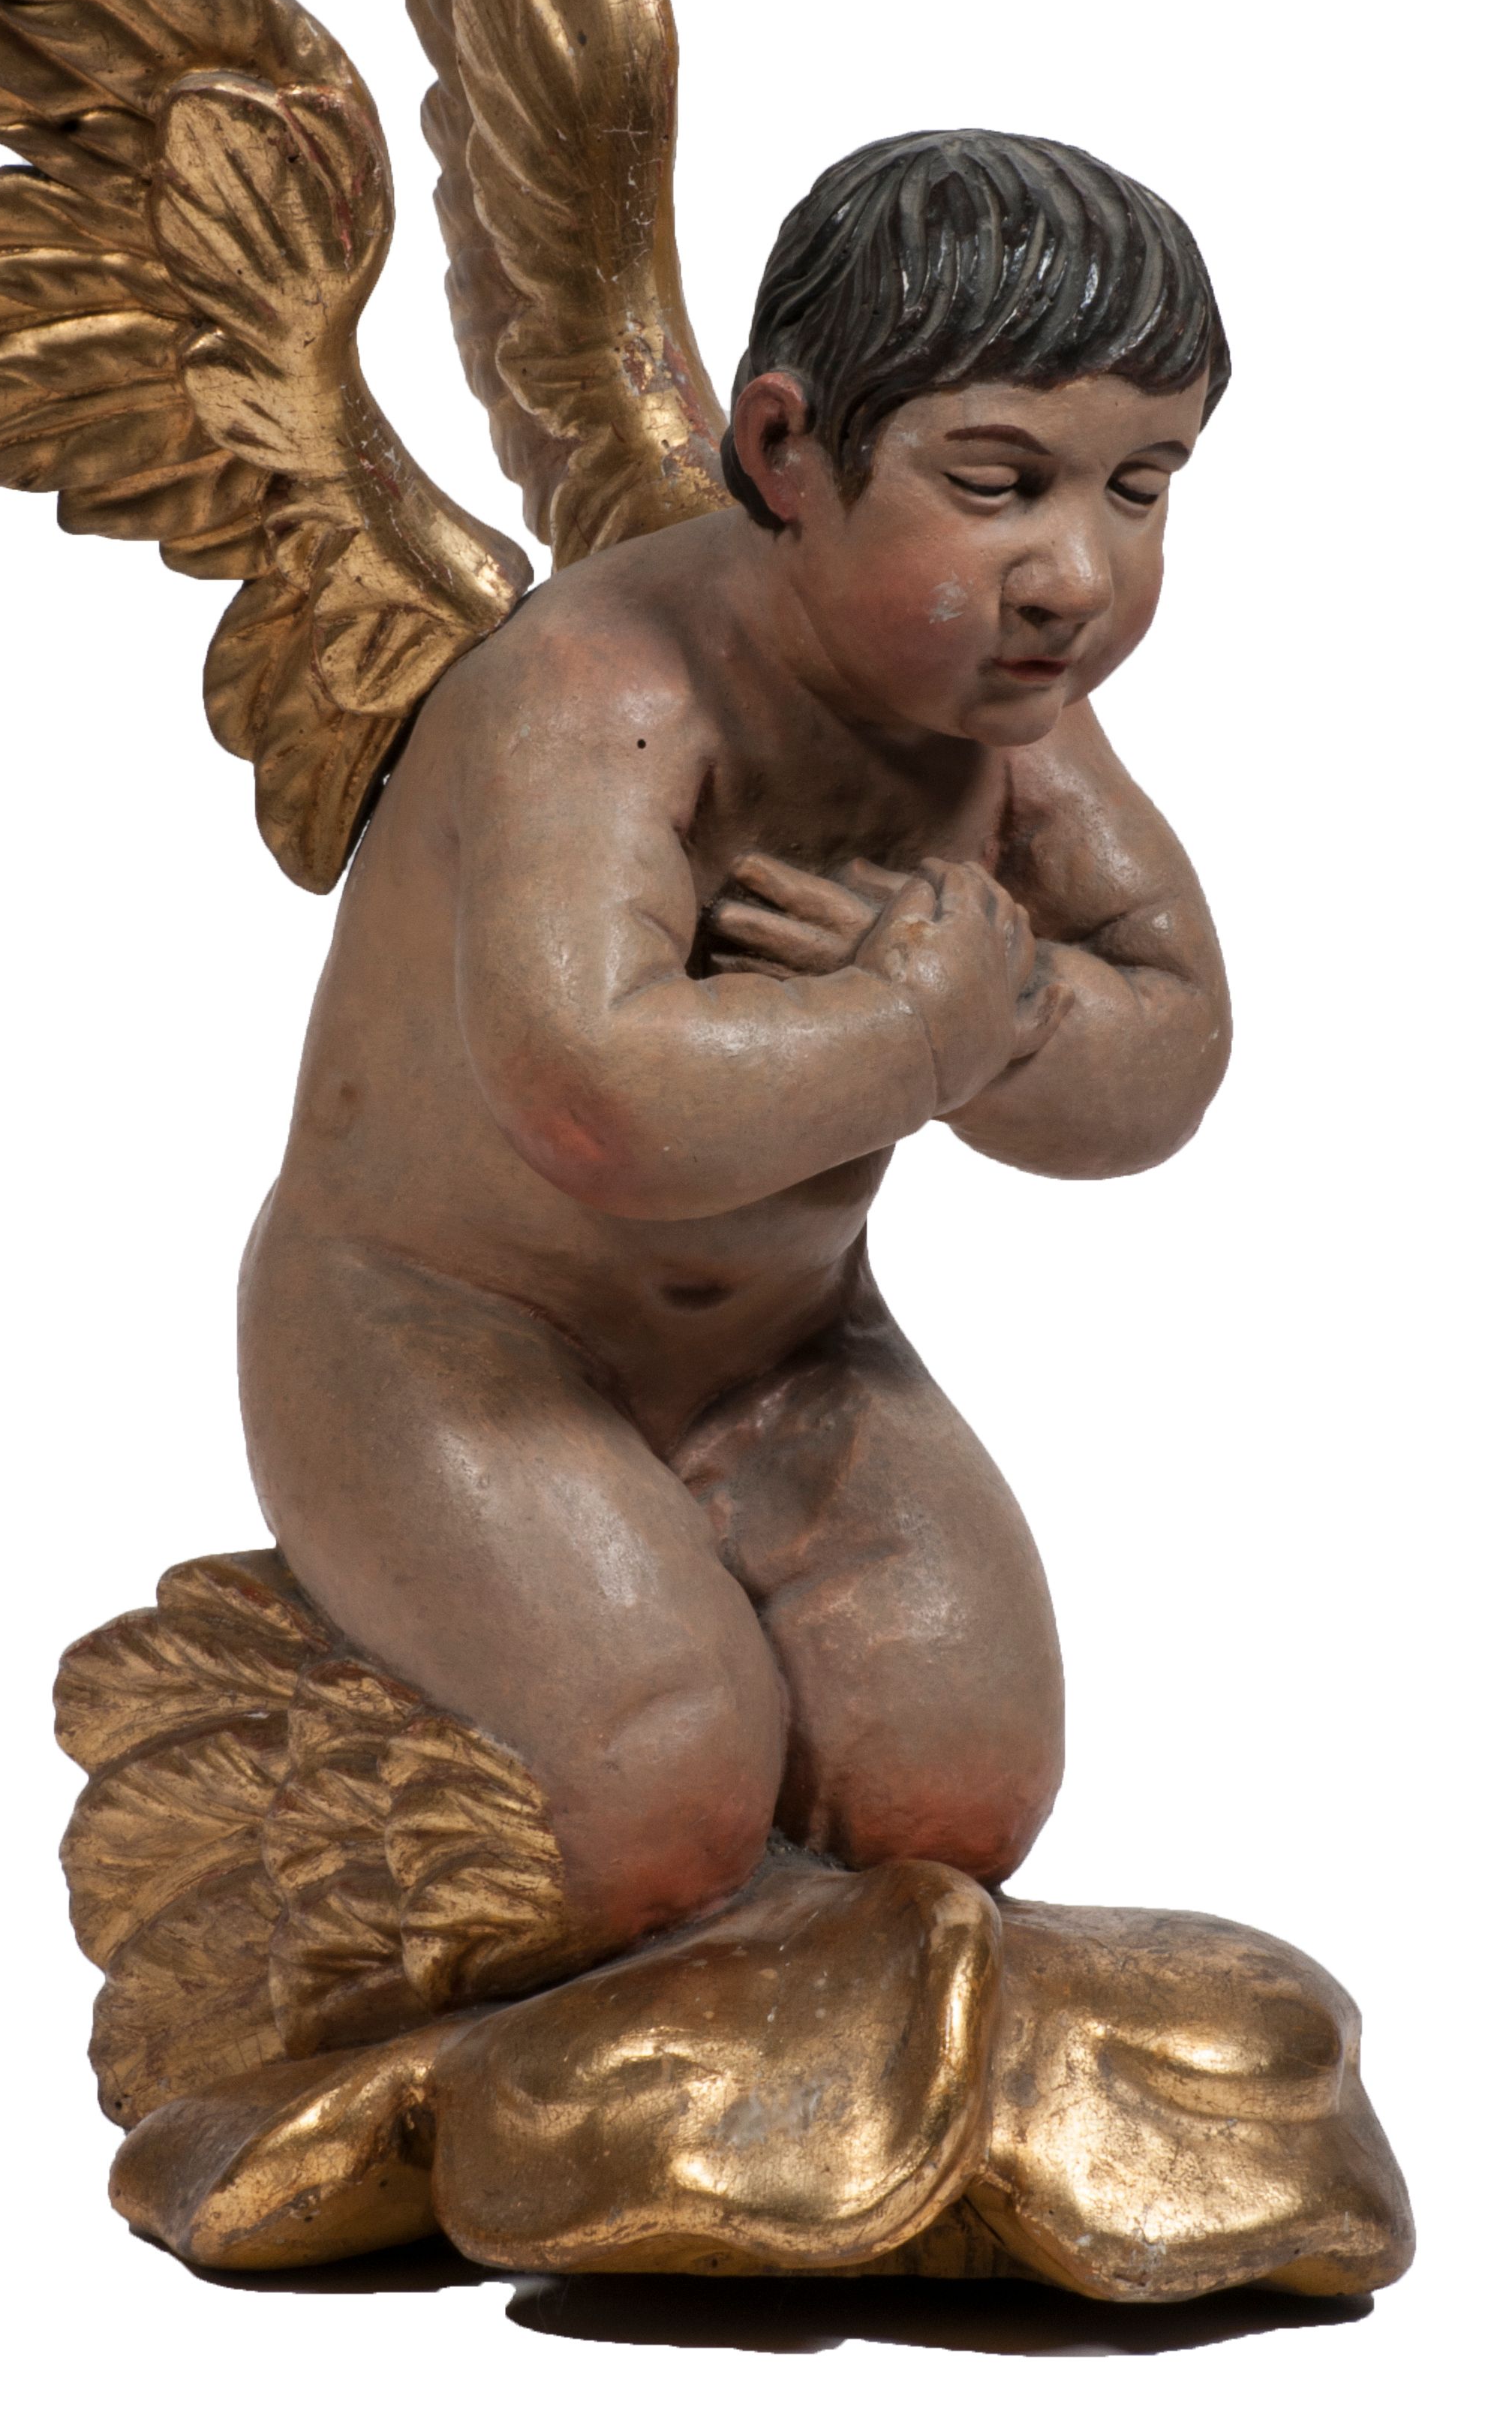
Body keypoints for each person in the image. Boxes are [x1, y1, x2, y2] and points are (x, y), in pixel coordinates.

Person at [239, 128, 1233, 1998]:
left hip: (781, 1352)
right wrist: (912, 1028)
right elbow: (593, 1095)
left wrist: (1005, 1012)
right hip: (437, 1340)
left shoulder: (996, 705)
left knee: (957, 1783)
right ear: (783, 450)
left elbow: (1170, 1042)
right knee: (664, 1781)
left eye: (1141, 488)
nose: (1073, 574)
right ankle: (465, 1949)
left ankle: (797, 2012)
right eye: (997, 484)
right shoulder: (600, 693)